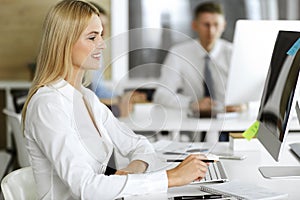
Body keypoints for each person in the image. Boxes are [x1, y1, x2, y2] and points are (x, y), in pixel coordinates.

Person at [21, 0, 208, 199]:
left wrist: (129, 174)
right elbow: (86, 187)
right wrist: (171, 178)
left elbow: (140, 146)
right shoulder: (48, 104)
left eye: (101, 35)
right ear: (64, 42)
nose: (102, 44)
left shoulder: (87, 98)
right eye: (92, 37)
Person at [153, 2, 242, 116]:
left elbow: (256, 93)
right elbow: (161, 95)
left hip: (230, 123)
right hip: (193, 124)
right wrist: (191, 104)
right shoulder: (178, 53)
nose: (211, 31)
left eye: (216, 25)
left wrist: (244, 104)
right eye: (206, 25)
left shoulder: (234, 53)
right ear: (194, 25)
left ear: (223, 25)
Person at [89, 2, 147, 117]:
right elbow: (86, 101)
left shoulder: (97, 53)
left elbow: (98, 90)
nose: (103, 32)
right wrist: (117, 108)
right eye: (99, 27)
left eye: (104, 26)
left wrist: (122, 98)